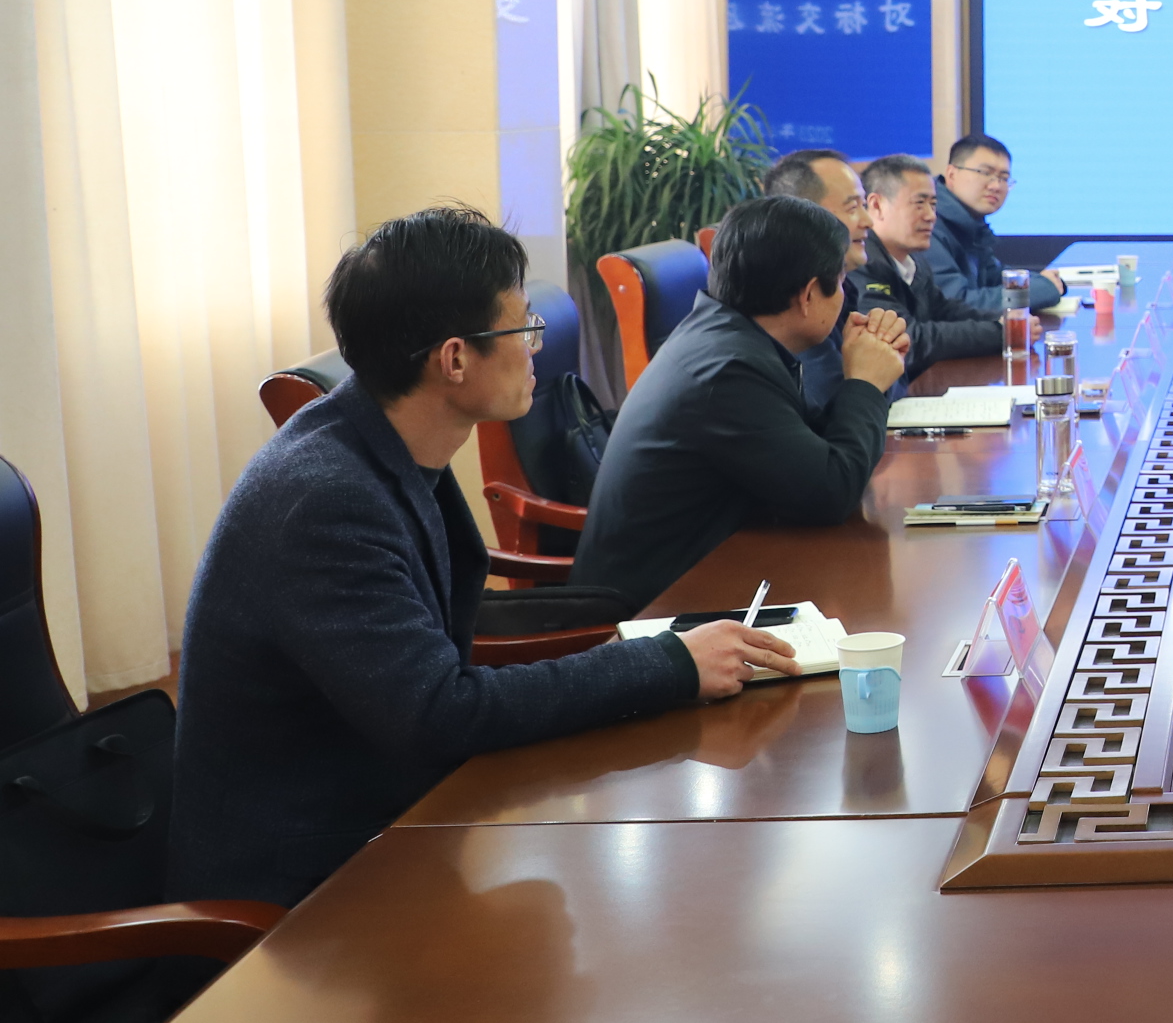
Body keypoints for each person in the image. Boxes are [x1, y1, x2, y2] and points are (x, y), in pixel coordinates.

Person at [170, 209, 798, 905]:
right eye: (524, 329)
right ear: (454, 359)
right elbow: (438, 713)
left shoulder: (380, 445)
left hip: (390, 805)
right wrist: (667, 664)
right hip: (310, 882)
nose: (536, 349)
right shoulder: (326, 503)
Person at [570, 194, 906, 615]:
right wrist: (865, 383)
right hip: (653, 613)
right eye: (839, 282)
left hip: (714, 574)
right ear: (807, 296)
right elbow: (831, 492)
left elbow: (808, 450)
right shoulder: (728, 371)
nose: (844, 296)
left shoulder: (728, 335)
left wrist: (869, 371)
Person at [760, 149, 907, 408]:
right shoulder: (792, 302)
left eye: (864, 206)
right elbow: (830, 412)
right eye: (852, 208)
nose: (867, 221)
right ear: (805, 217)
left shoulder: (843, 286)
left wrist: (882, 354)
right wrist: (869, 377)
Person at [857, 154, 1004, 375]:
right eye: (919, 203)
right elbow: (909, 339)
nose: (930, 216)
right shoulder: (861, 264)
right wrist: (1000, 332)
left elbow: (945, 310)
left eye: (933, 204)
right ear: (877, 205)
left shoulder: (914, 261)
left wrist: (1008, 321)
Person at [932, 132, 1060, 317]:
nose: (996, 186)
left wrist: (1042, 283)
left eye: (1004, 178)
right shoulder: (929, 225)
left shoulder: (970, 224)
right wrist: (1045, 288)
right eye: (985, 173)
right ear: (951, 174)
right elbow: (957, 303)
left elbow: (997, 276)